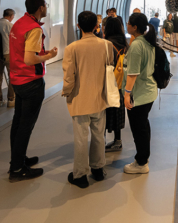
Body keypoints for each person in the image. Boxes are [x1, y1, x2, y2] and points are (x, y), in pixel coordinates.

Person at [8, 0, 58, 182]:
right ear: (40, 8)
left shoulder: (20, 23)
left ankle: (17, 159)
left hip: (17, 80)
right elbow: (30, 59)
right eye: (45, 4)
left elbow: (22, 51)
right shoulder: (34, 28)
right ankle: (18, 168)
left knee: (18, 122)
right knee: (25, 126)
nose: (46, 7)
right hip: (30, 82)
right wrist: (49, 56)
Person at [62, 11, 111, 188]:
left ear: (78, 26)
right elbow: (109, 70)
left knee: (81, 138)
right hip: (100, 98)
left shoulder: (72, 48)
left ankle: (80, 175)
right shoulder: (106, 45)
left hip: (80, 99)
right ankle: (98, 169)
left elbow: (69, 76)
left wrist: (66, 92)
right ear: (96, 26)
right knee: (99, 135)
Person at [122, 13, 158, 174]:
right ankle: (144, 156)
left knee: (138, 129)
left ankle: (141, 162)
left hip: (140, 93)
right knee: (143, 125)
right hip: (148, 91)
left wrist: (127, 94)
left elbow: (133, 73)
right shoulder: (146, 42)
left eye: (128, 23)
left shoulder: (137, 45)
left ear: (134, 27)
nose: (127, 25)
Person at [103, 17, 128, 152]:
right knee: (118, 112)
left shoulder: (107, 44)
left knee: (104, 112)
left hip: (108, 84)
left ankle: (102, 140)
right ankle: (118, 141)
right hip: (121, 84)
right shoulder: (124, 44)